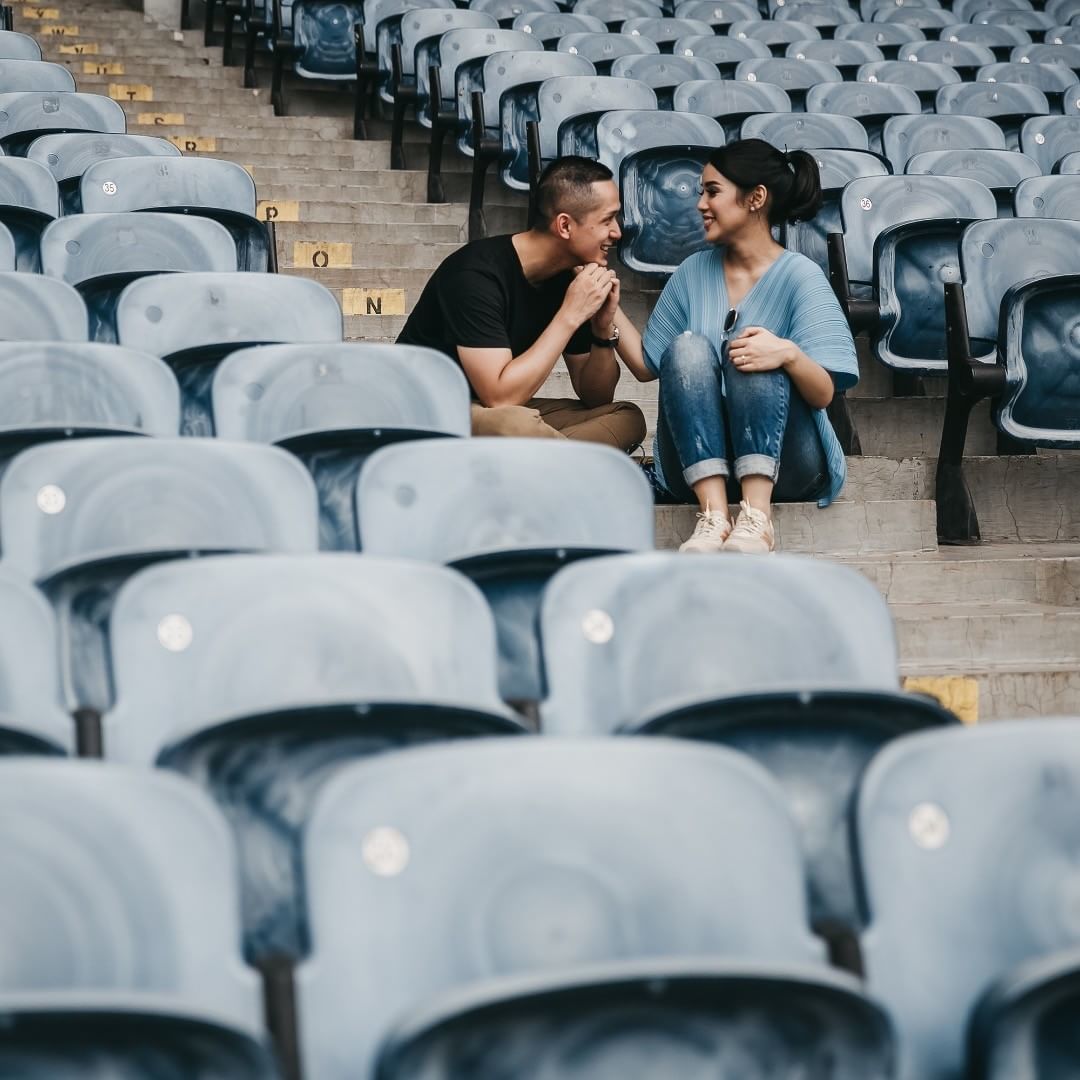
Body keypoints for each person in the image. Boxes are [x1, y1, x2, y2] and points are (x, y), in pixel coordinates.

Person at [608, 139, 859, 554]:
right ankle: (713, 517)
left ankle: (757, 518)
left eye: (712, 191)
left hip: (788, 464)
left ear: (755, 198)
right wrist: (610, 313)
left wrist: (788, 355)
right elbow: (649, 365)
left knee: (754, 349)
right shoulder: (691, 272)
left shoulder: (801, 276)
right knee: (687, 347)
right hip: (697, 461)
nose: (700, 204)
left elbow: (824, 393)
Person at [396, 156, 646, 452]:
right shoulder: (474, 275)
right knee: (518, 425)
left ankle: (539, 461)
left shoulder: (569, 278)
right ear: (565, 225)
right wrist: (569, 314)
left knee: (626, 416)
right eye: (607, 220)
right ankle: (573, 461)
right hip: (429, 411)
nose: (617, 232)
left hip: (500, 413)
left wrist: (602, 331)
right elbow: (499, 397)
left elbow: (596, 398)